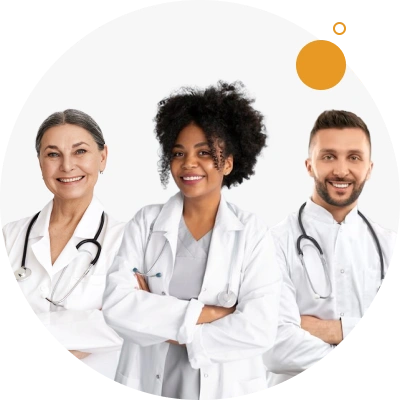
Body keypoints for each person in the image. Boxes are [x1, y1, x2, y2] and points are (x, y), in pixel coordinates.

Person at [102, 81, 282, 399]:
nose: (188, 164)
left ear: (227, 163)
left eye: (204, 153)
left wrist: (159, 317)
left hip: (227, 387)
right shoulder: (146, 223)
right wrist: (216, 314)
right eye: (178, 153)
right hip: (149, 383)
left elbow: (259, 328)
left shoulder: (252, 233)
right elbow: (118, 306)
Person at [263, 110, 398, 389]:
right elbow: (275, 347)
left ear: (369, 168)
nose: (340, 170)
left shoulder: (391, 247)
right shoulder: (272, 243)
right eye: (328, 156)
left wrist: (330, 330)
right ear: (309, 165)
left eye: (354, 157)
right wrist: (374, 350)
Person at [1, 109, 124, 383]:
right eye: (53, 154)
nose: (67, 166)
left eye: (80, 152)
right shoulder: (11, 237)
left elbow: (131, 322)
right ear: (40, 162)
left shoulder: (126, 242)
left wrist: (24, 339)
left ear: (102, 157)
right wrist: (86, 329)